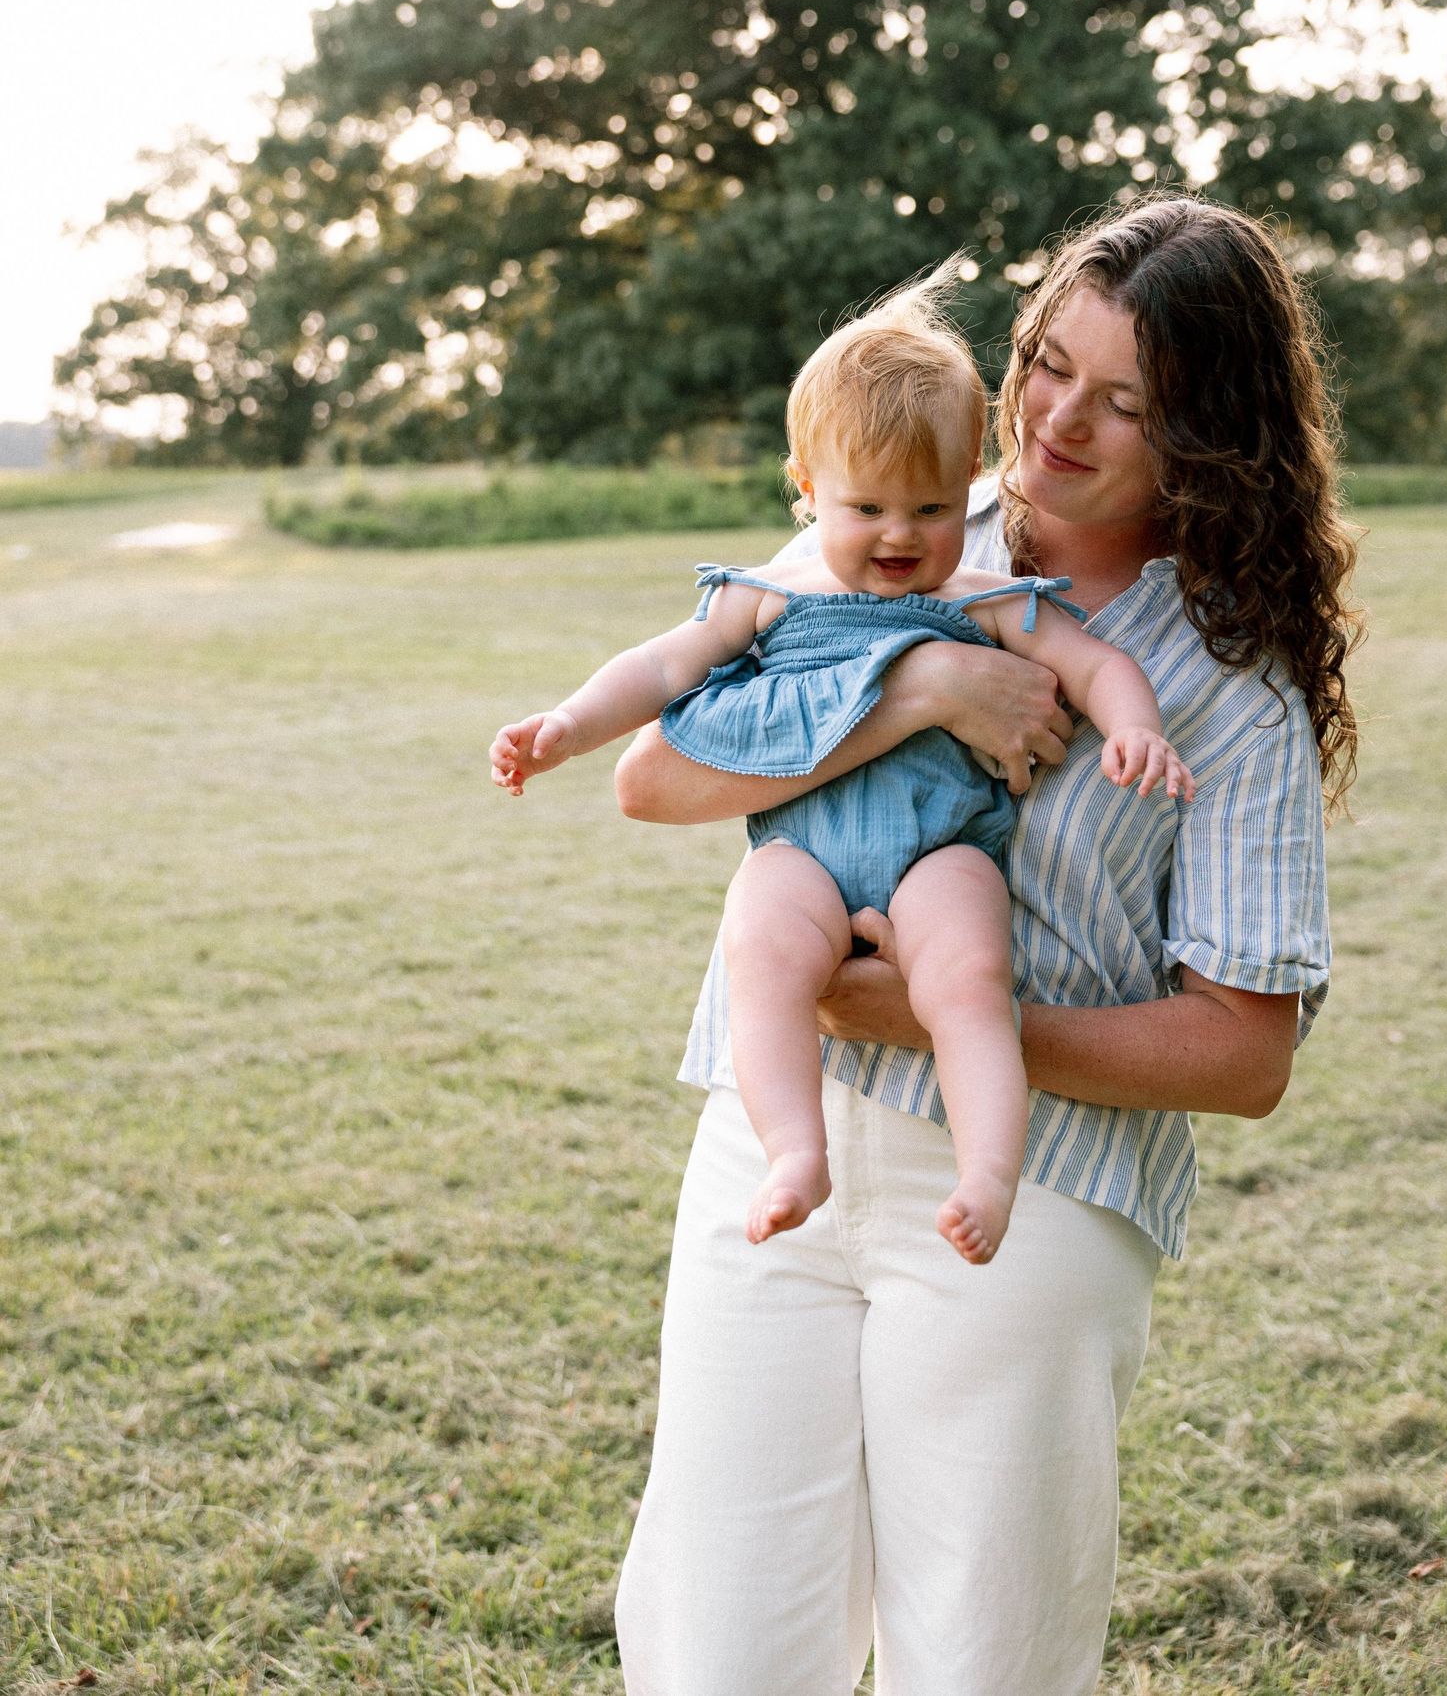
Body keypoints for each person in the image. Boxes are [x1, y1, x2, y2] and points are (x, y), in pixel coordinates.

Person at [608, 193, 1362, 1696]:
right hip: (777, 1152)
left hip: (1035, 1193)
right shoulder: (894, 513)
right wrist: (924, 694)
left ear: (1209, 434)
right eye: (1048, 364)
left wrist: (947, 1023)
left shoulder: (1230, 683)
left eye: (1124, 401)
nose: (1058, 419)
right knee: (720, 1639)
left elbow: (1246, 1053)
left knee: (982, 1656)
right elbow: (657, 775)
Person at [491, 269, 1194, 1266]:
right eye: (867, 506)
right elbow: (659, 669)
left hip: (941, 850)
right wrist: (566, 725)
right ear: (807, 487)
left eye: (931, 506)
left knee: (970, 979)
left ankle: (988, 1172)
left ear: (968, 484)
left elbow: (1097, 665)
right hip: (803, 851)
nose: (901, 534)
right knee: (763, 948)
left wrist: (1135, 728)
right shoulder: (767, 594)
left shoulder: (986, 597)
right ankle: (793, 1152)